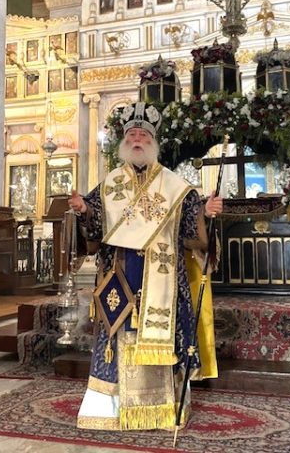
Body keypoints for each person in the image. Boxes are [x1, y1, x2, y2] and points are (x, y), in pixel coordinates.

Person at [69, 102, 222, 431]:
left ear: (153, 142)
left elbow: (191, 233)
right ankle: (110, 409)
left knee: (164, 337)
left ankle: (166, 409)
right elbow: (94, 228)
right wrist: (84, 210)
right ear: (124, 142)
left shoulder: (175, 186)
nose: (137, 139)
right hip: (119, 276)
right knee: (117, 337)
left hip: (162, 278)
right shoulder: (110, 185)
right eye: (132, 135)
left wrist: (205, 213)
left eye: (143, 135)